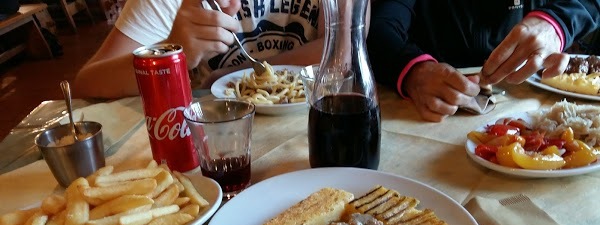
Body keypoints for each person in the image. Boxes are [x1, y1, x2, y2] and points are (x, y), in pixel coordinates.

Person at [367, 0, 600, 122]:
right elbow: (379, 27)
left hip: (535, 107)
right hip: (432, 111)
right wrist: (414, 71)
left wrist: (556, 23)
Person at [74, 0, 324, 99]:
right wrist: (171, 53)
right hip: (214, 145)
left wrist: (235, 74)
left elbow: (341, 54)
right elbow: (88, 83)